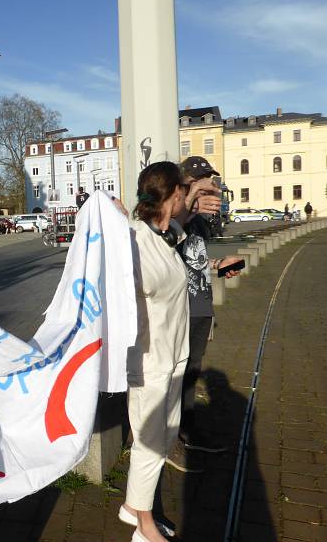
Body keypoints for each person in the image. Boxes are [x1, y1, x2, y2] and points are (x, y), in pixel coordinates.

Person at [120, 161, 188, 542]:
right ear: (174, 194)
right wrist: (115, 227)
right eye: (183, 193)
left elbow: (177, 230)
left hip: (173, 356)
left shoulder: (163, 235)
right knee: (148, 444)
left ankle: (134, 507)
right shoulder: (135, 241)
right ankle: (144, 528)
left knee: (163, 439)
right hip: (150, 362)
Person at [168, 157, 242, 465]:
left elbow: (194, 259)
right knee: (174, 373)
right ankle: (167, 438)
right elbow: (165, 243)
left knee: (191, 371)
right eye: (201, 183)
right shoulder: (175, 216)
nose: (209, 188)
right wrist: (191, 204)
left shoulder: (200, 222)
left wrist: (219, 265)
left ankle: (187, 429)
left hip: (200, 307)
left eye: (211, 182)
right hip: (178, 309)